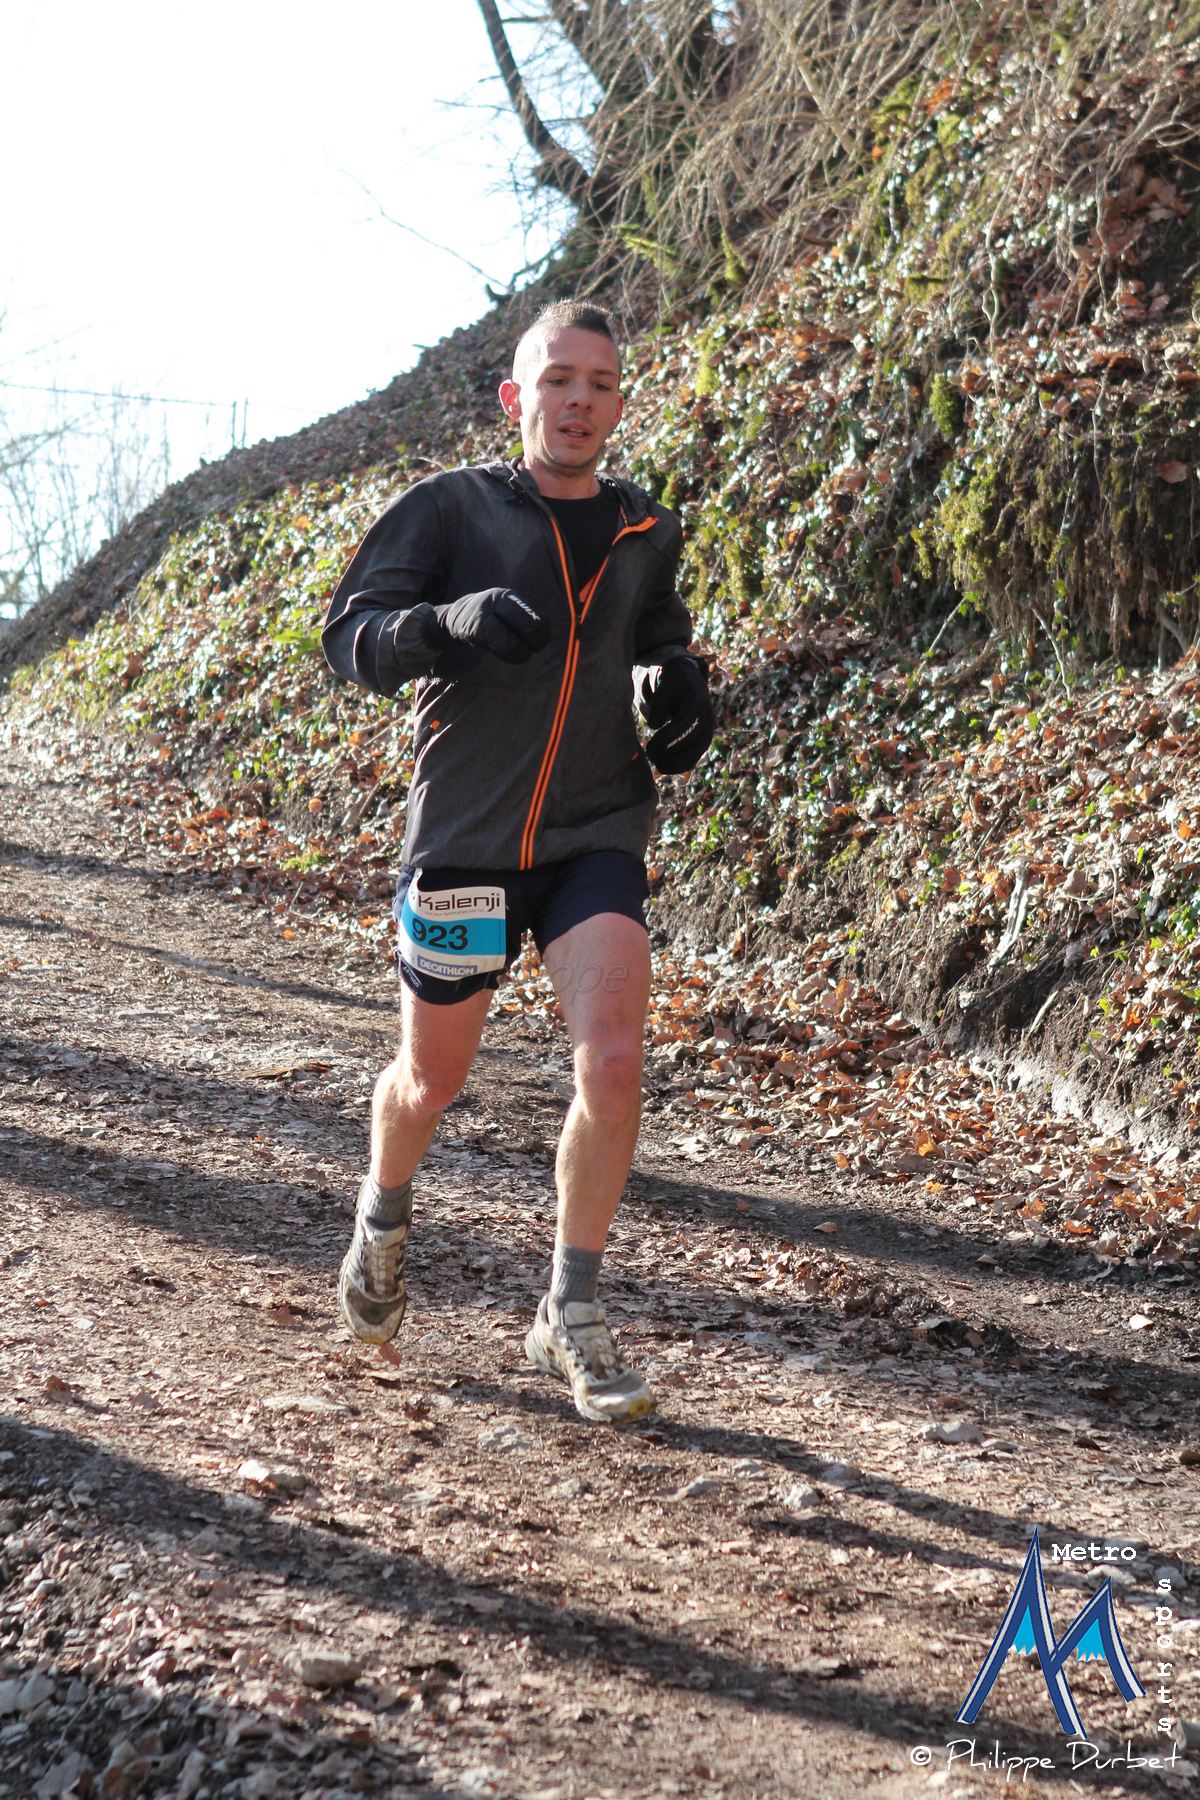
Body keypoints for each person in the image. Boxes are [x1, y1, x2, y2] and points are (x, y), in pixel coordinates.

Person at [320, 299, 714, 1424]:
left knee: (615, 1061)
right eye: (557, 380)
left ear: (620, 404)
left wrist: (680, 690)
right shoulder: (450, 509)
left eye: (599, 383)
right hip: (468, 838)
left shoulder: (646, 531)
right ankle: (382, 1219)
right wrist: (444, 625)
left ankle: (569, 1312)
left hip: (595, 832)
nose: (578, 400)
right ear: (516, 397)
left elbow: (656, 641)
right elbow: (350, 639)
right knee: (430, 1082)